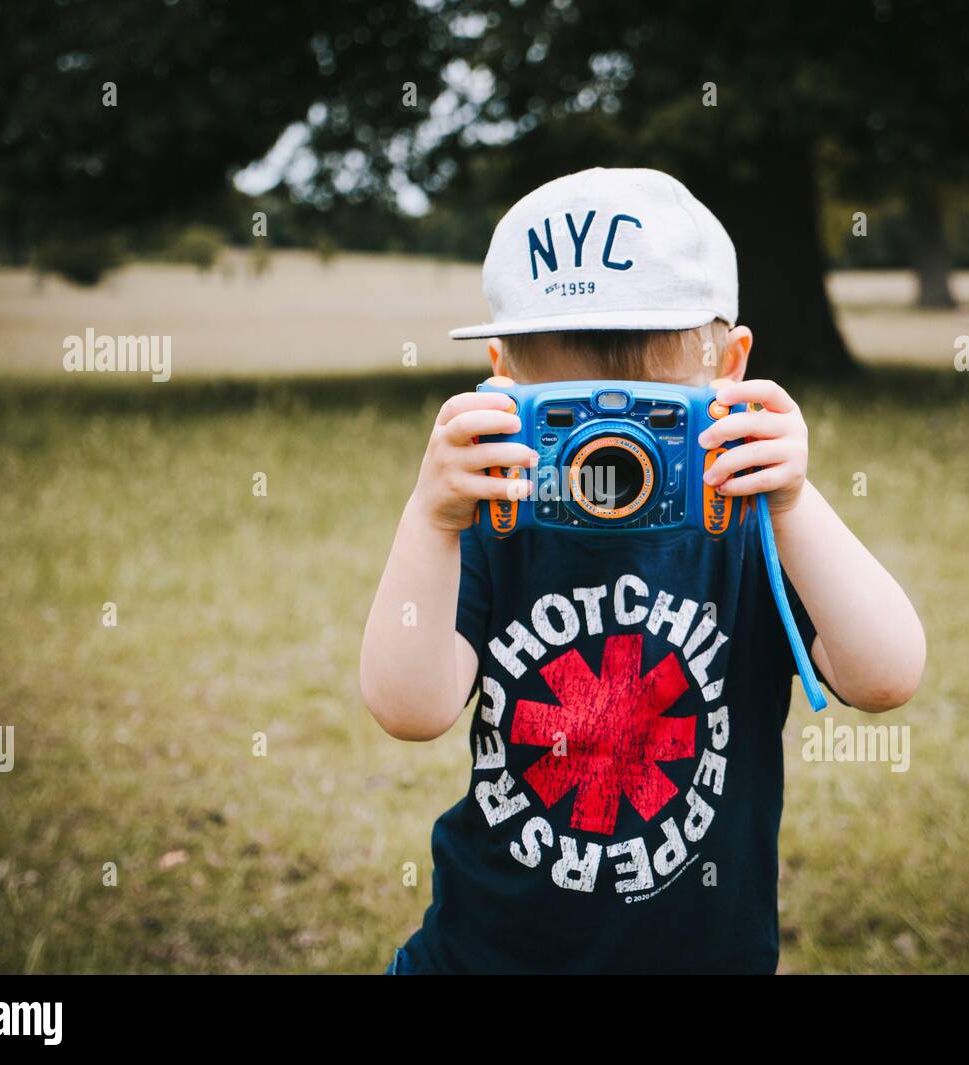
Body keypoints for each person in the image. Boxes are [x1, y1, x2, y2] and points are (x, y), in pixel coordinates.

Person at [360, 167, 926, 974]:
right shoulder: (496, 510)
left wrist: (796, 503)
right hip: (485, 955)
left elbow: (888, 674)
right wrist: (428, 518)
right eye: (568, 410)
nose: (610, 442)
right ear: (500, 379)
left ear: (729, 369)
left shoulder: (751, 519)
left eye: (657, 411)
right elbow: (408, 708)